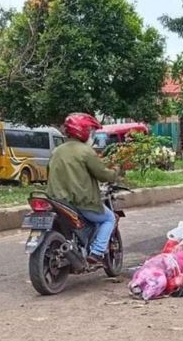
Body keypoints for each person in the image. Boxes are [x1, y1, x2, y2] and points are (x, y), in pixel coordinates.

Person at [47, 113, 119, 264]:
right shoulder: (86, 151)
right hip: (81, 203)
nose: (91, 135)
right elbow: (102, 174)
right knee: (109, 218)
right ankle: (97, 252)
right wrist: (115, 172)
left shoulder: (56, 151)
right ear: (83, 131)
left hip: (58, 201)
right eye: (90, 131)